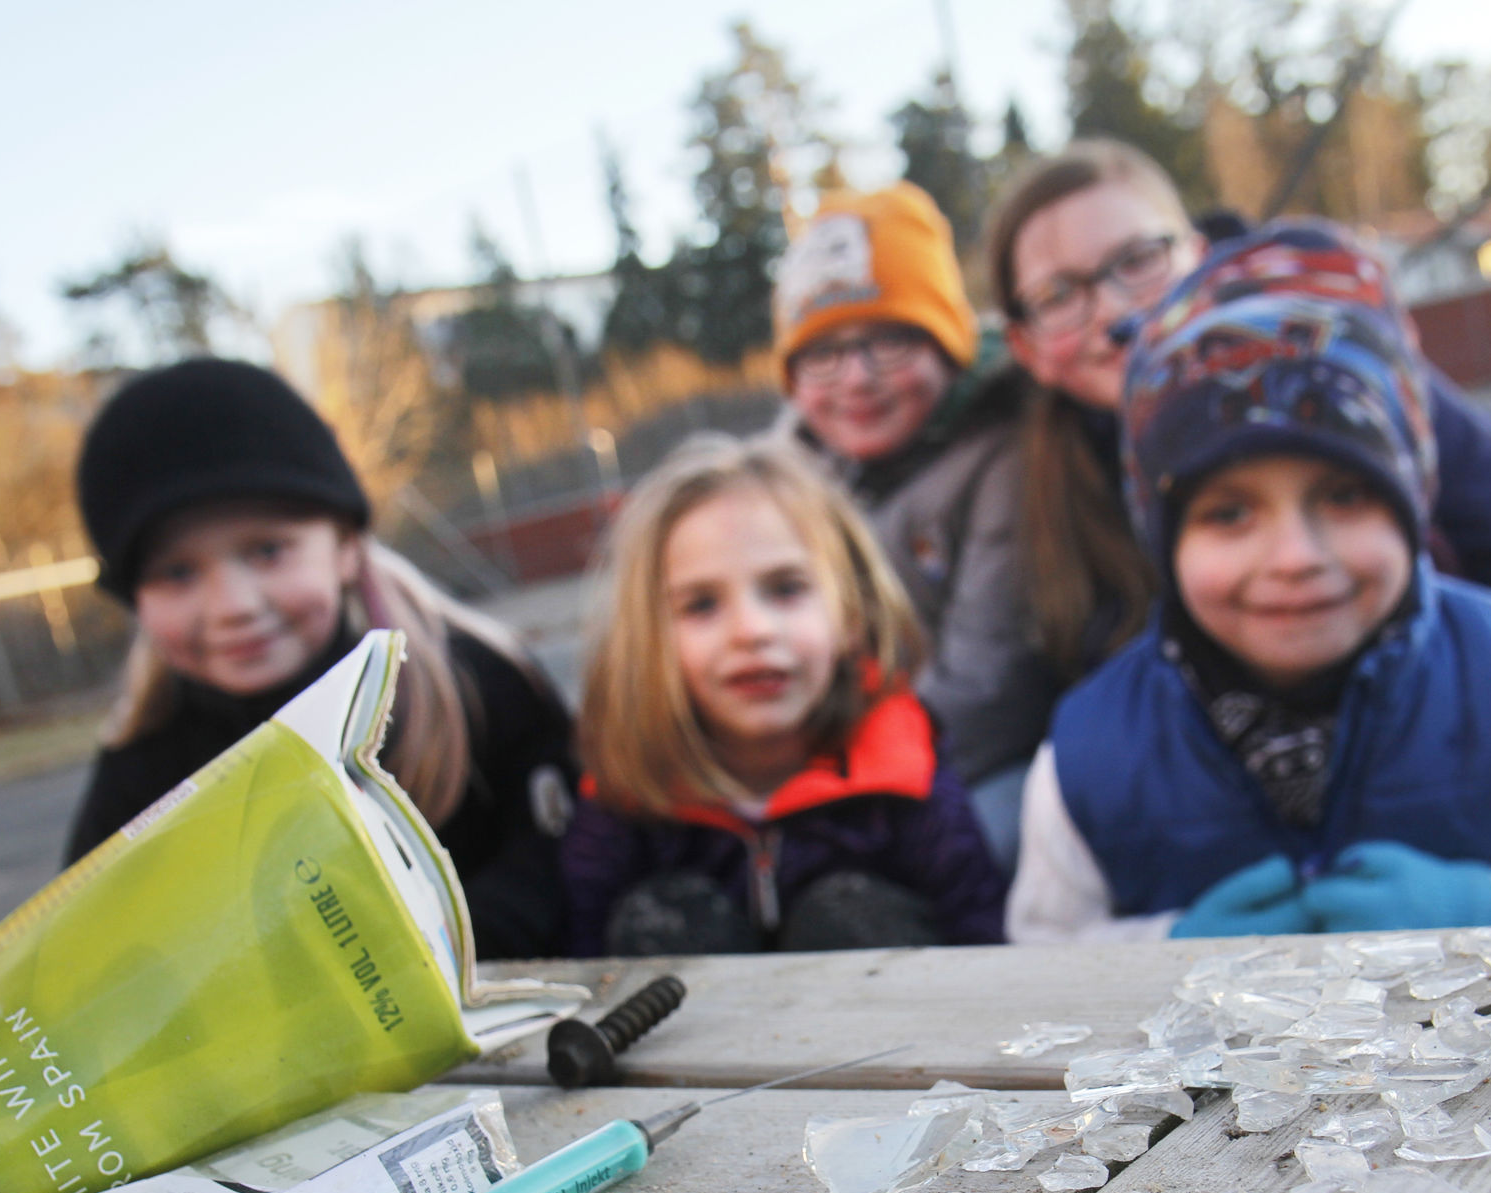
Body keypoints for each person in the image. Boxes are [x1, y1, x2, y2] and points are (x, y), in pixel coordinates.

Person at [1007, 223, 1491, 943]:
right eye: (1230, 514)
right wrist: (1164, 949)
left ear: (1414, 502)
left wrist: (1488, 905)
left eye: (1345, 497)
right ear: (1162, 537)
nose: (1296, 555)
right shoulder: (1089, 755)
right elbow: (1047, 951)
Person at [984, 139, 1491, 686]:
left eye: (1138, 260)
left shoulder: (1349, 371)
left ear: (1199, 253)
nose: (1113, 312)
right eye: (1057, 295)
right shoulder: (1031, 487)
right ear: (1024, 346)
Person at [66, 357, 575, 960]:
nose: (233, 606)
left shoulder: (478, 686)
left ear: (344, 548)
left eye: (267, 550)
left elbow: (566, 860)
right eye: (177, 572)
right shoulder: (143, 764)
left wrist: (420, 958)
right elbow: (86, 952)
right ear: (136, 600)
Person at [559, 434, 1006, 957]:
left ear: (852, 613)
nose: (752, 630)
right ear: (647, 639)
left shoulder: (905, 776)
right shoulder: (627, 793)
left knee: (851, 913)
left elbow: (983, 946)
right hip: (696, 1032)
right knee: (663, 915)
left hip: (887, 1033)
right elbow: (580, 965)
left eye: (787, 589)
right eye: (701, 605)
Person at [770, 181, 1041, 861]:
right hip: (833, 762)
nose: (857, 378)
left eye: (889, 341)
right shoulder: (785, 478)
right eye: (823, 353)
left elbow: (987, 689)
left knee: (991, 835)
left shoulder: (1005, 459)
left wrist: (841, 785)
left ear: (946, 344)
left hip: (977, 762)